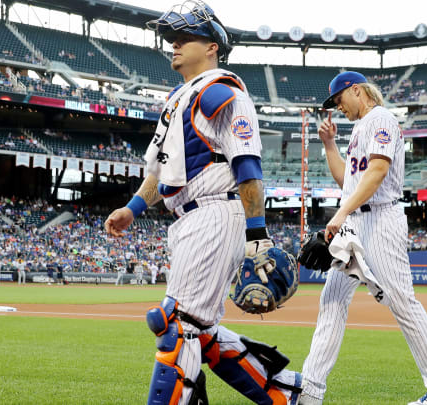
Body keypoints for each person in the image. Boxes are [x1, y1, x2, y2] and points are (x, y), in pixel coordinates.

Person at [104, 2, 301, 403]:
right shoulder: (178, 99)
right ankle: (285, 393)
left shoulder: (221, 93)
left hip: (215, 210)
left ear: (212, 46)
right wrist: (133, 208)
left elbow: (247, 167)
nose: (173, 45)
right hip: (188, 218)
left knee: (177, 324)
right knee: (201, 331)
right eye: (172, 39)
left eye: (184, 38)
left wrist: (257, 233)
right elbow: (161, 173)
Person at [298, 72, 427, 405]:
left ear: (357, 90)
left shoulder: (381, 118)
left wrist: (339, 215)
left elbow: (378, 170)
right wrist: (329, 145)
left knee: (402, 304)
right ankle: (310, 391)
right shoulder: (359, 128)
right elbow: (349, 182)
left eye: (339, 99)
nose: (337, 107)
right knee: (332, 301)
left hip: (380, 220)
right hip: (355, 223)